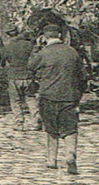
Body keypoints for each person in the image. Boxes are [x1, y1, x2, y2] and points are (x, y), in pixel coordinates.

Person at [28, 24, 86, 175]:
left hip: (48, 95)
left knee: (51, 128)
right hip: (69, 96)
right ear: (60, 36)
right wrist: (78, 95)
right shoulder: (72, 52)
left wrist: (36, 48)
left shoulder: (44, 53)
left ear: (45, 37)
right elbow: (83, 77)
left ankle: (51, 159)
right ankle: (70, 153)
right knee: (70, 128)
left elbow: (30, 66)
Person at [2, 28, 40, 130]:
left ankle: (19, 123)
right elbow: (35, 60)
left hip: (14, 76)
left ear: (9, 36)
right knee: (31, 98)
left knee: (15, 101)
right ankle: (37, 118)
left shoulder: (8, 46)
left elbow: (3, 61)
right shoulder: (29, 45)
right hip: (28, 75)